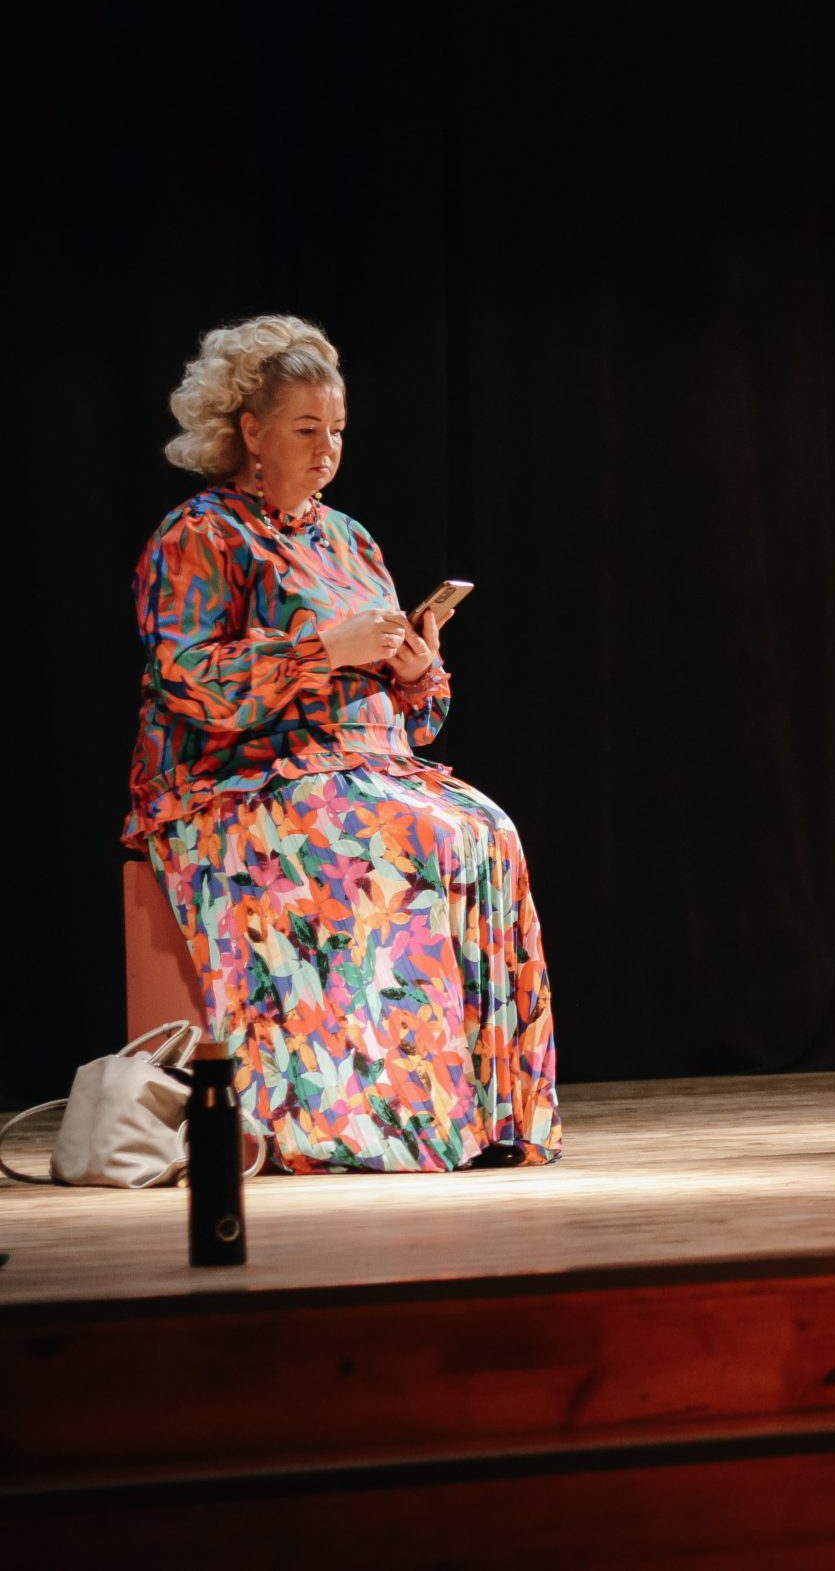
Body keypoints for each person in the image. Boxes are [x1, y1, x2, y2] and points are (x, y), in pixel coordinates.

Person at [126, 315, 562, 1172]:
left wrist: (415, 671)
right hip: (234, 784)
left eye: (337, 430)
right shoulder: (200, 534)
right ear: (251, 431)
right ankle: (378, 1117)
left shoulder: (349, 539)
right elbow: (188, 679)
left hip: (361, 766)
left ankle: (487, 1116)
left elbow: (417, 722)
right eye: (305, 430)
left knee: (486, 830)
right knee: (396, 836)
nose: (327, 449)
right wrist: (324, 649)